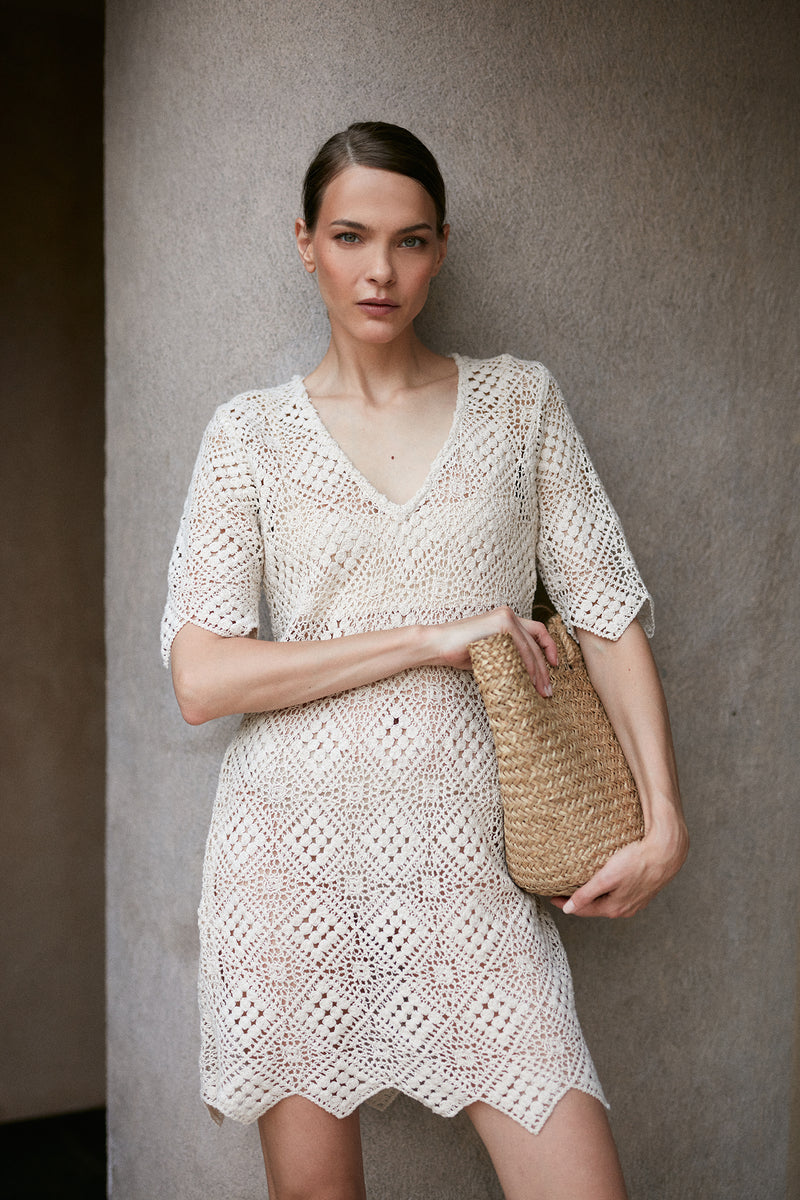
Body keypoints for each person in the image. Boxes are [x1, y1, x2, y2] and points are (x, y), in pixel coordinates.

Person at [162, 121, 688, 1200]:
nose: (379, 269)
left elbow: (604, 612)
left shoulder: (518, 402)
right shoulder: (248, 436)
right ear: (303, 242)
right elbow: (203, 678)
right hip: (287, 862)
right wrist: (429, 637)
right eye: (351, 236)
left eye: (408, 241)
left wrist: (664, 818)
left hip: (467, 863)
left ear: (440, 249)